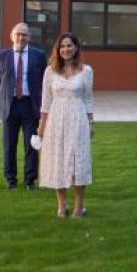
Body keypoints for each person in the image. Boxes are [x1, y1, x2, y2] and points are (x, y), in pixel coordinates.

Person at [36, 32, 95, 218]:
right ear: (57, 49)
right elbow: (45, 102)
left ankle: (79, 206)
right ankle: (61, 205)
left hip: (78, 118)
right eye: (62, 46)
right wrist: (41, 126)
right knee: (58, 161)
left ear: (76, 48)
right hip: (56, 119)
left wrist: (91, 122)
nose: (66, 49)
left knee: (79, 161)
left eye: (69, 46)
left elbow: (88, 99)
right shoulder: (50, 71)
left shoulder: (86, 71)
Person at [0, 22, 46, 190]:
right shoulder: (2, 56)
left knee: (31, 144)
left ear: (29, 37)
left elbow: (44, 82)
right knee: (9, 145)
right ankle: (11, 180)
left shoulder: (39, 56)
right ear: (12, 36)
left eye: (24, 34)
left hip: (30, 105)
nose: (21, 37)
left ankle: (30, 181)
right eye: (18, 34)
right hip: (9, 105)